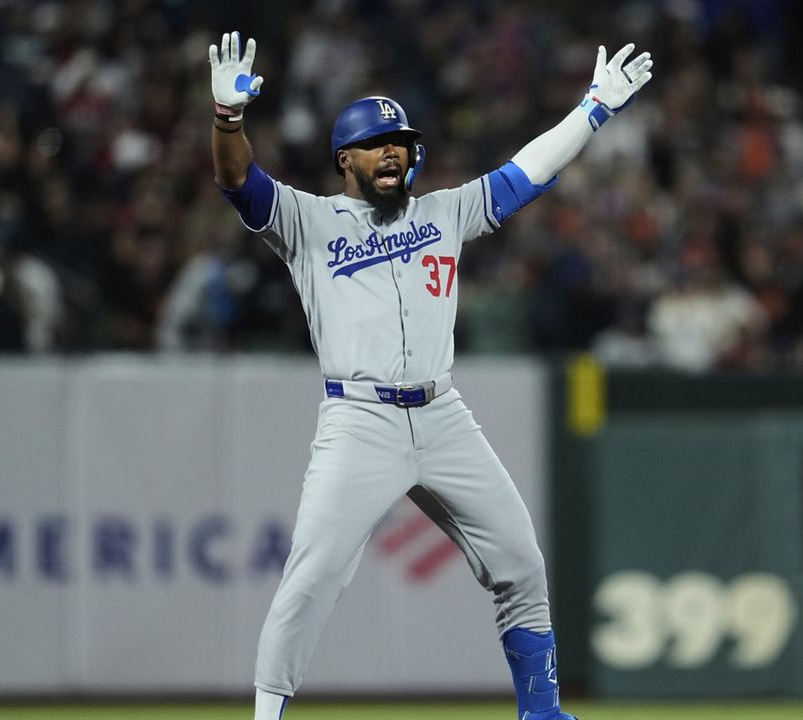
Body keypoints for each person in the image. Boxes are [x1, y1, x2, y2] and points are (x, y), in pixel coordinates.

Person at [208, 31, 652, 720]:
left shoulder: (443, 212)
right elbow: (239, 180)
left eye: (401, 141)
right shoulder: (309, 221)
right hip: (360, 419)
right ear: (344, 160)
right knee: (313, 576)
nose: (393, 150)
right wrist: (228, 122)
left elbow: (526, 173)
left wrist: (592, 110)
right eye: (377, 142)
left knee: (521, 564)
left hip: (443, 415)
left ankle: (542, 713)